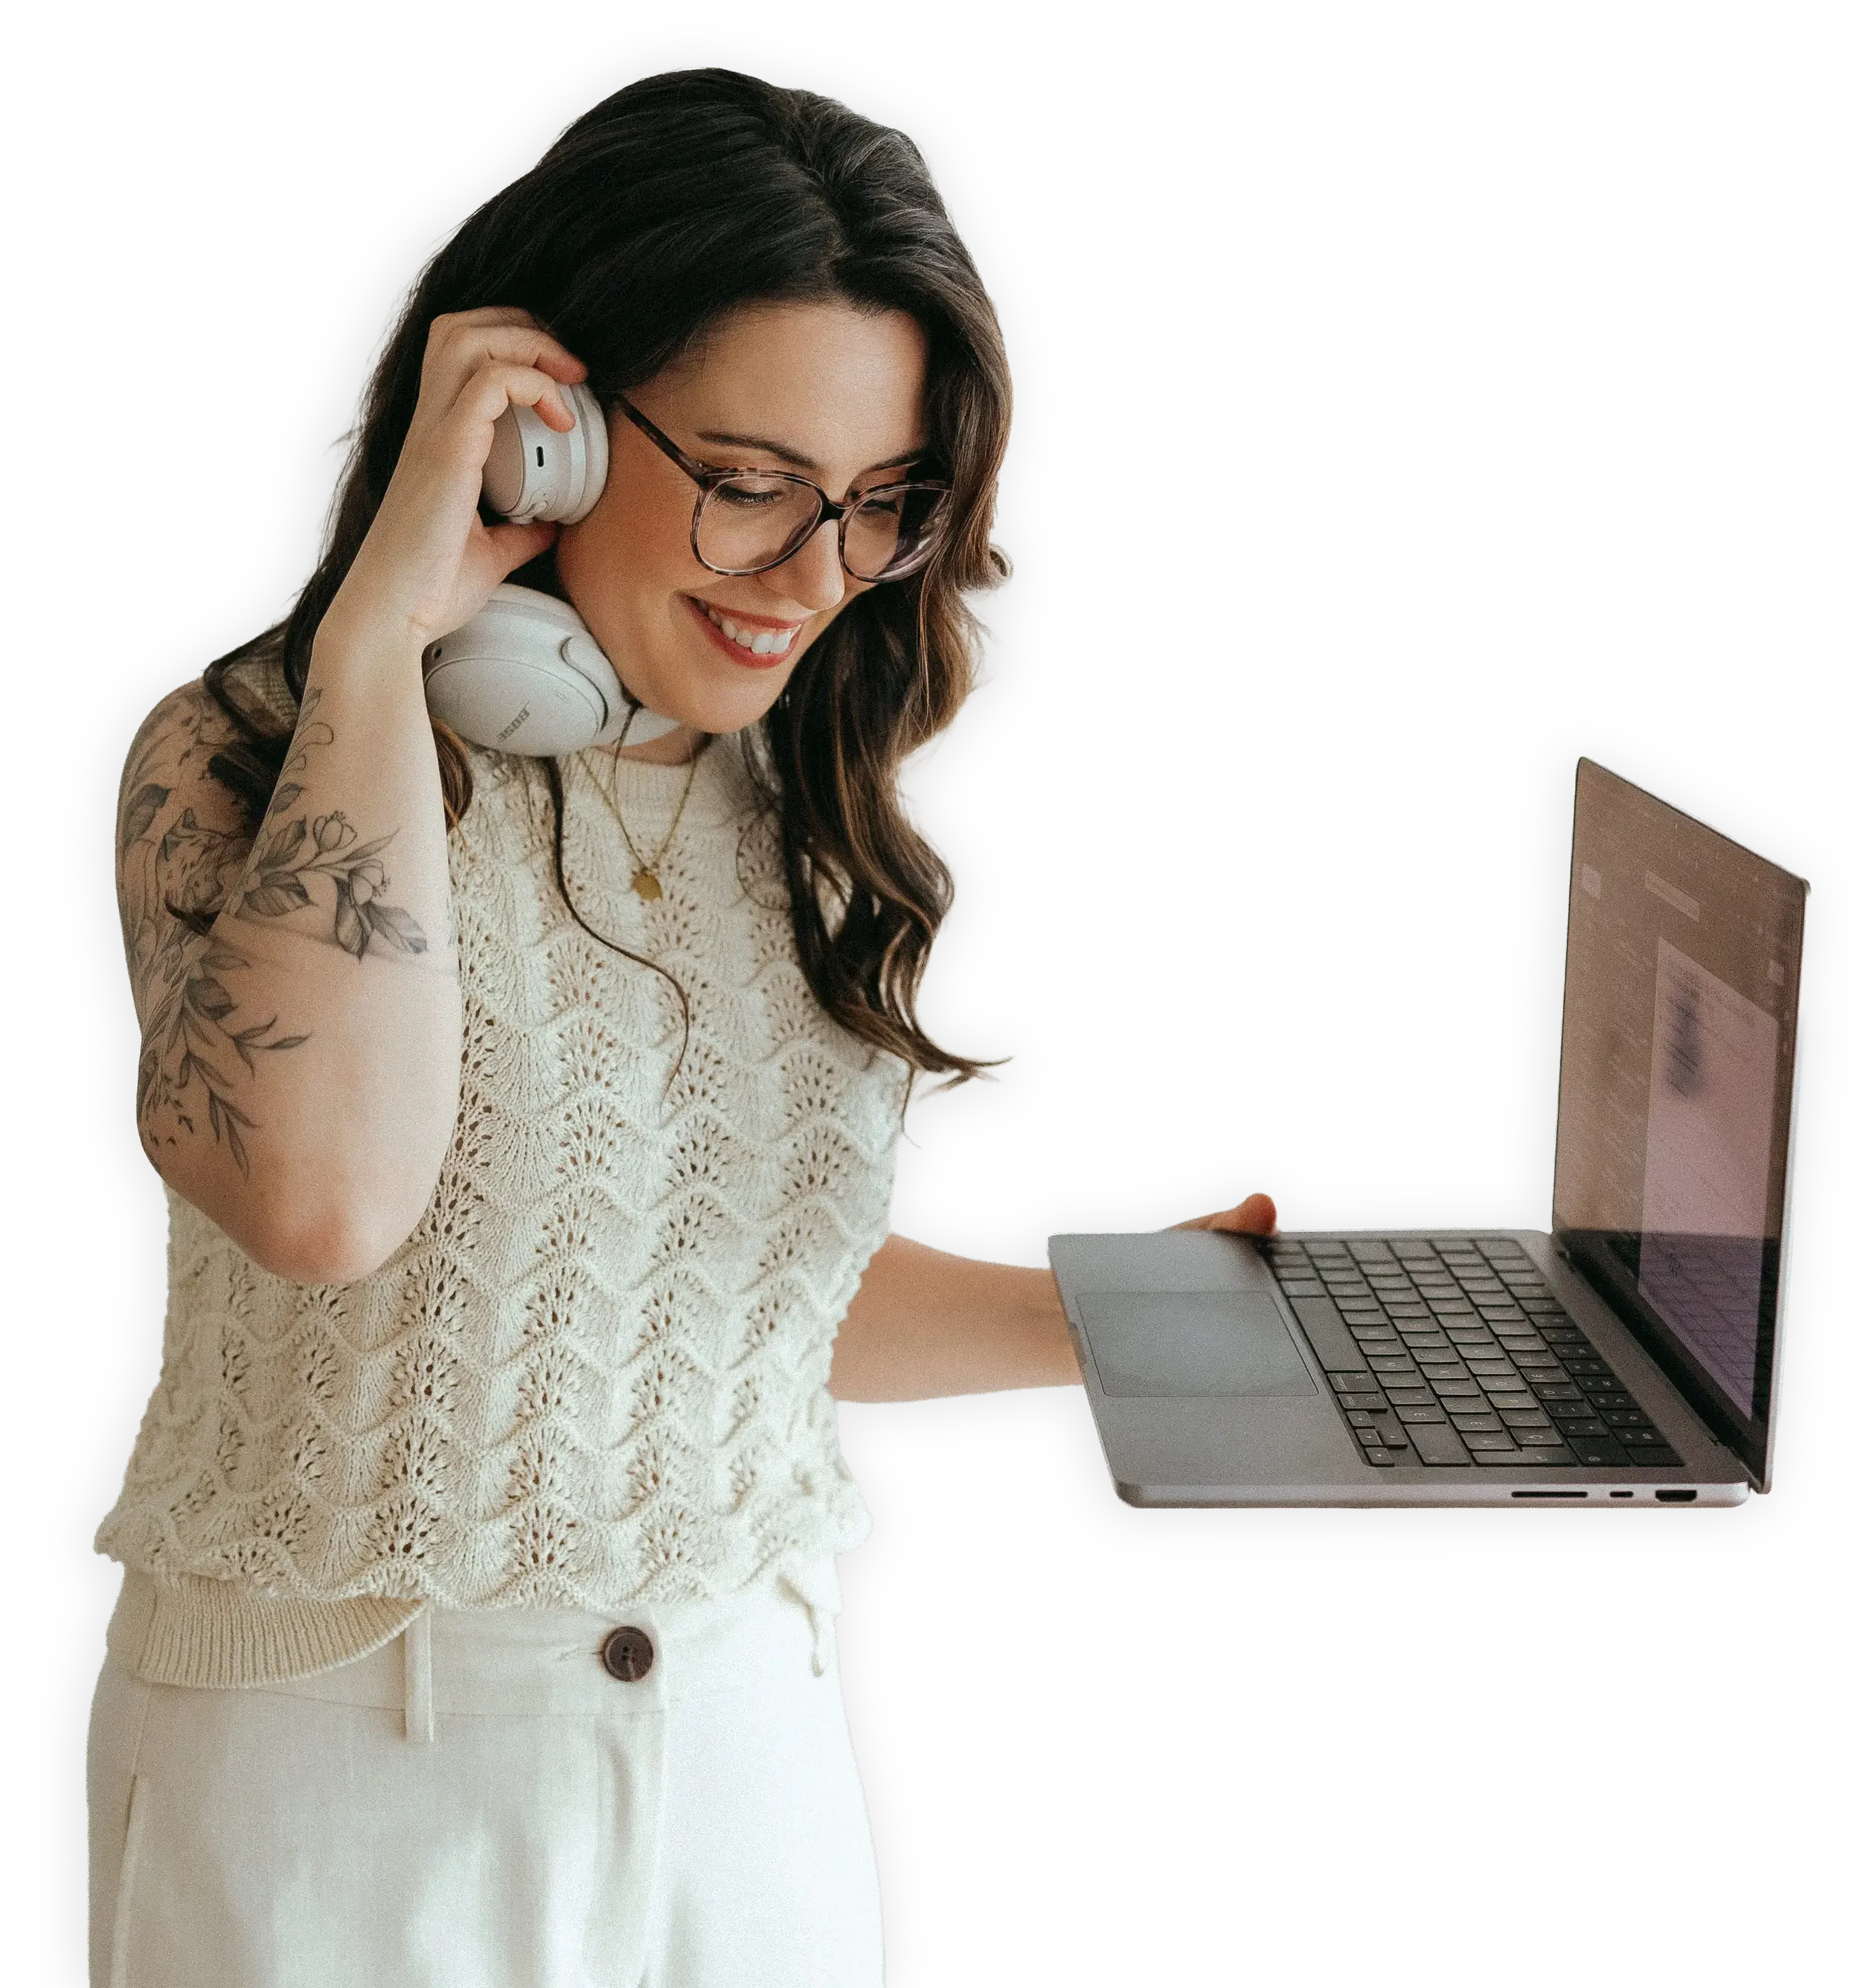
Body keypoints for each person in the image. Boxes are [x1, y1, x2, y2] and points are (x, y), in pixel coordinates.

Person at [89, 65, 1275, 1988]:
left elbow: (707, 1291)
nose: (812, 580)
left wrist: (1146, 1319)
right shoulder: (240, 754)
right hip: (340, 1773)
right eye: (747, 485)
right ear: (539, 422)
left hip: (751, 1752)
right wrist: (384, 643)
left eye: (877, 509)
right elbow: (318, 1202)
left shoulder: (802, 797)